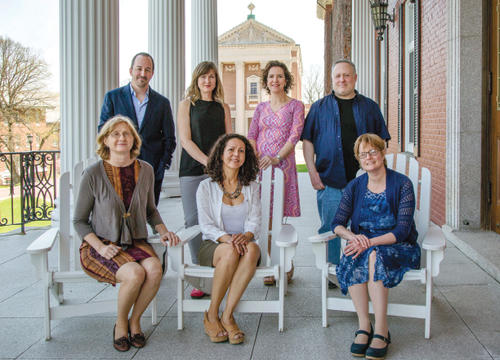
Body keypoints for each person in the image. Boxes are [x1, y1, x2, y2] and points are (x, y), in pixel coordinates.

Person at [73, 116, 180, 352]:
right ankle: (121, 324)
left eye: (126, 134)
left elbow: (151, 211)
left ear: (134, 140)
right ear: (106, 140)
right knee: (134, 274)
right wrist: (100, 247)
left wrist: (163, 231)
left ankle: (135, 321)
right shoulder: (93, 174)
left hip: (134, 242)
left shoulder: (146, 170)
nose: (121, 138)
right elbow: (79, 221)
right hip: (100, 245)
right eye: (115, 134)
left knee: (154, 270)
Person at [301, 59, 390, 288]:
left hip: (364, 184)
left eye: (347, 75)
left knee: (364, 228)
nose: (342, 79)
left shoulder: (369, 107)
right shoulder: (319, 107)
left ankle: (361, 272)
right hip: (329, 180)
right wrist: (312, 172)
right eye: (338, 76)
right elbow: (308, 141)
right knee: (330, 228)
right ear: (333, 79)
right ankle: (331, 276)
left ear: (355, 78)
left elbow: (382, 143)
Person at [332, 134, 420, 359]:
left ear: (382, 153)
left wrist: (368, 242)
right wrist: (353, 237)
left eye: (373, 151)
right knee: (353, 255)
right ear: (359, 160)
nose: (369, 157)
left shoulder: (402, 184)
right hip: (364, 244)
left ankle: (381, 329)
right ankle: (364, 326)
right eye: (363, 154)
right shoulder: (355, 186)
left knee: (373, 256)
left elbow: (402, 231)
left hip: (398, 246)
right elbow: (337, 224)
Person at [196, 134, 261, 345]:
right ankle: (212, 314)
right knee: (232, 250)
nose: (236, 155)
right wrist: (228, 239)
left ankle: (227, 315)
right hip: (213, 245)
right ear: (221, 154)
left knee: (252, 250)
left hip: (244, 244)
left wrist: (246, 236)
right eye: (231, 150)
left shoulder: (251, 186)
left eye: (241, 151)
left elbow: (255, 220)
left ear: (246, 156)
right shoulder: (206, 187)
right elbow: (205, 225)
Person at [177, 61, 232, 299]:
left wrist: (222, 165)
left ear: (216, 80)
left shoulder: (223, 107)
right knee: (194, 221)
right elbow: (186, 141)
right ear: (196, 80)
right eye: (203, 77)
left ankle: (217, 271)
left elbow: (229, 140)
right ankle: (200, 275)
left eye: (211, 77)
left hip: (219, 172)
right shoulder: (185, 105)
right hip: (192, 170)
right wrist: (208, 161)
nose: (207, 81)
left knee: (218, 220)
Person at [248, 60, 304, 285]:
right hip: (262, 170)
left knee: (279, 218)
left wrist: (277, 158)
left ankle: (286, 264)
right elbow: (252, 135)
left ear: (286, 80)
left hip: (283, 167)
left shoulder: (296, 106)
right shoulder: (260, 108)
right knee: (265, 219)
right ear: (266, 81)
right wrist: (256, 160)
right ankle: (273, 265)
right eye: (271, 76)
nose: (275, 80)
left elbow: (295, 135)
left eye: (280, 76)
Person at [99, 52, 176, 205]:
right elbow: (103, 131)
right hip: (119, 167)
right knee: (120, 213)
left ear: (152, 73)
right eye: (139, 68)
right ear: (131, 71)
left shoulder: (162, 103)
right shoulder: (113, 97)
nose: (143, 73)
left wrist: (162, 166)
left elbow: (169, 138)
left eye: (147, 70)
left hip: (151, 170)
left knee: (148, 215)